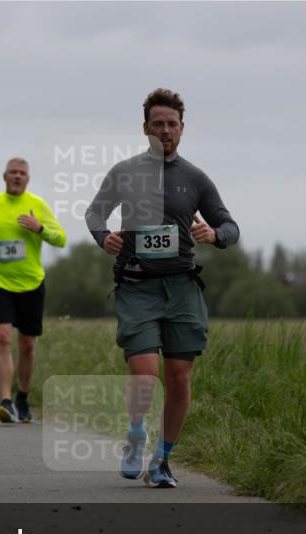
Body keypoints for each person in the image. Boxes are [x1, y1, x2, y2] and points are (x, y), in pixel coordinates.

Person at [85, 88, 240, 488]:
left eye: (172, 124)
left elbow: (230, 226)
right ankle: (136, 433)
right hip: (137, 285)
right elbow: (95, 213)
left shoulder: (195, 178)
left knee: (180, 378)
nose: (165, 131)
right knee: (144, 372)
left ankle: (162, 460)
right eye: (158, 124)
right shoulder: (125, 172)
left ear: (182, 128)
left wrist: (215, 234)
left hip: (182, 287)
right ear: (145, 128)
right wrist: (103, 237)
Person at [0, 157, 66, 423]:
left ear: (28, 178)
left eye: (22, 173)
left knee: (27, 344)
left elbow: (61, 239)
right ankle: (5, 401)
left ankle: (22, 396)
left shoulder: (38, 205)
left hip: (31, 282)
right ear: (4, 176)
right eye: (13, 172)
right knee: (2, 337)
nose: (17, 176)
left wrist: (40, 228)